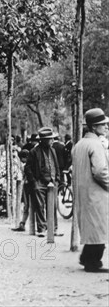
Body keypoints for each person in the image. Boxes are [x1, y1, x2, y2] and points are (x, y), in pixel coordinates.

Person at [72, 108, 109, 273]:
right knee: (99, 229)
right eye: (103, 125)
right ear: (94, 127)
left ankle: (87, 258)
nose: (106, 127)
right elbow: (100, 171)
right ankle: (92, 262)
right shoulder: (96, 145)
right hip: (96, 194)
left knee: (92, 228)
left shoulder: (79, 145)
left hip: (83, 194)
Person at [24, 127, 63, 237]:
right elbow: (28, 168)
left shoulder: (53, 150)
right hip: (40, 182)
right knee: (40, 206)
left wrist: (58, 178)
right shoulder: (34, 152)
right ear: (43, 140)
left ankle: (53, 228)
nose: (52, 141)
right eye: (50, 139)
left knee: (53, 206)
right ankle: (41, 228)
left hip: (52, 181)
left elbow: (56, 165)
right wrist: (34, 182)